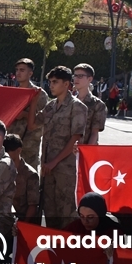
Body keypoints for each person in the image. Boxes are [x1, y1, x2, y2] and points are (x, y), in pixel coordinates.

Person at [37, 66, 87, 229]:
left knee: (66, 211)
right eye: (50, 82)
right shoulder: (50, 106)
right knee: (49, 210)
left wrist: (54, 162)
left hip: (65, 169)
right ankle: (53, 247)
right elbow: (33, 124)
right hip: (47, 168)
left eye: (55, 82)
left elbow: (75, 138)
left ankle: (68, 249)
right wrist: (31, 98)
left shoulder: (77, 107)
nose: (51, 85)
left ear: (66, 84)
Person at [8, 58, 48, 170]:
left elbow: (43, 119)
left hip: (29, 144)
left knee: (29, 178)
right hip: (12, 142)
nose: (18, 73)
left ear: (30, 73)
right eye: (17, 70)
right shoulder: (14, 93)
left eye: (22, 70)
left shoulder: (39, 94)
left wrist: (25, 114)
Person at [4, 134, 39, 225]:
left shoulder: (30, 175)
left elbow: (33, 206)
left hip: (20, 219)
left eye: (8, 152)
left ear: (18, 151)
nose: (5, 155)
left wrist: (22, 225)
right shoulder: (2, 169)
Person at [73, 63, 107, 145]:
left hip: (84, 150)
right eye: (75, 76)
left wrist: (86, 153)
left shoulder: (98, 105)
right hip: (66, 152)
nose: (76, 79)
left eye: (80, 76)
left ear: (90, 79)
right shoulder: (70, 101)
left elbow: (94, 133)